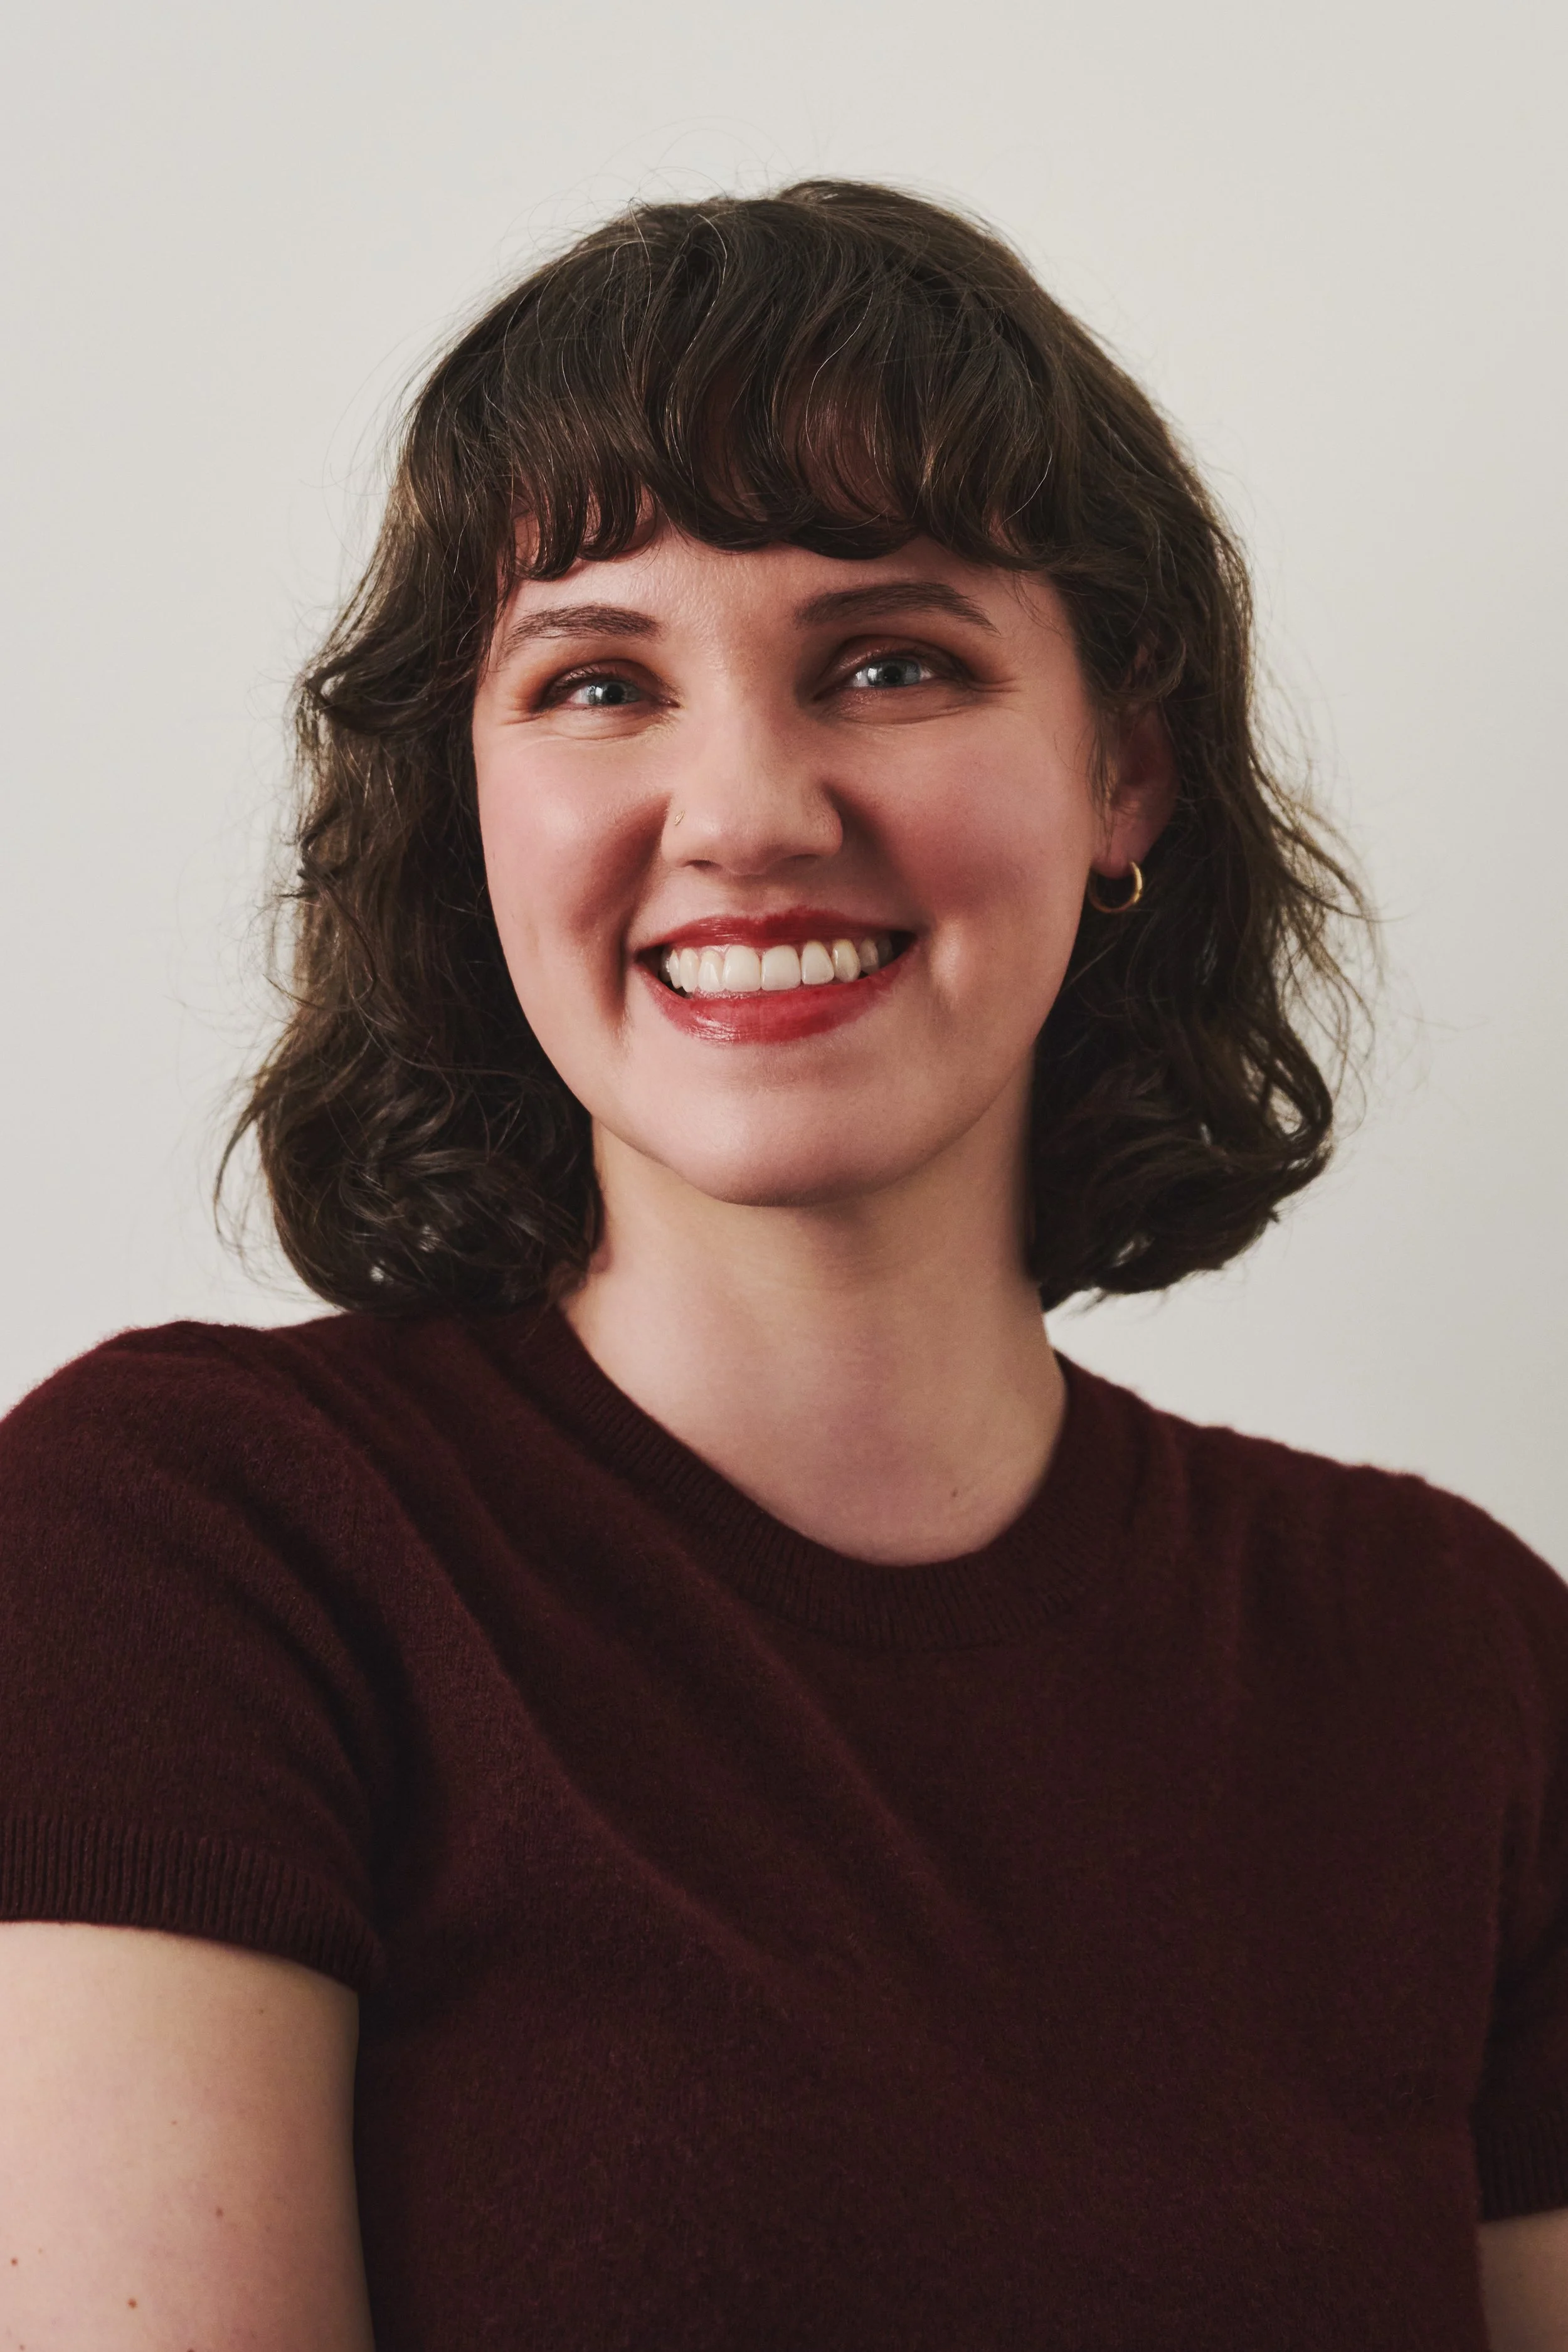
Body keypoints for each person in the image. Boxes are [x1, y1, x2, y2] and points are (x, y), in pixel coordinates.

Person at [0, 180, 1563, 2352]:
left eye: (891, 660)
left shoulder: (1453, 1657)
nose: (740, 805)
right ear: (467, 798)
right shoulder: (190, 1551)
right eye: (596, 680)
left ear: (1123, 767)